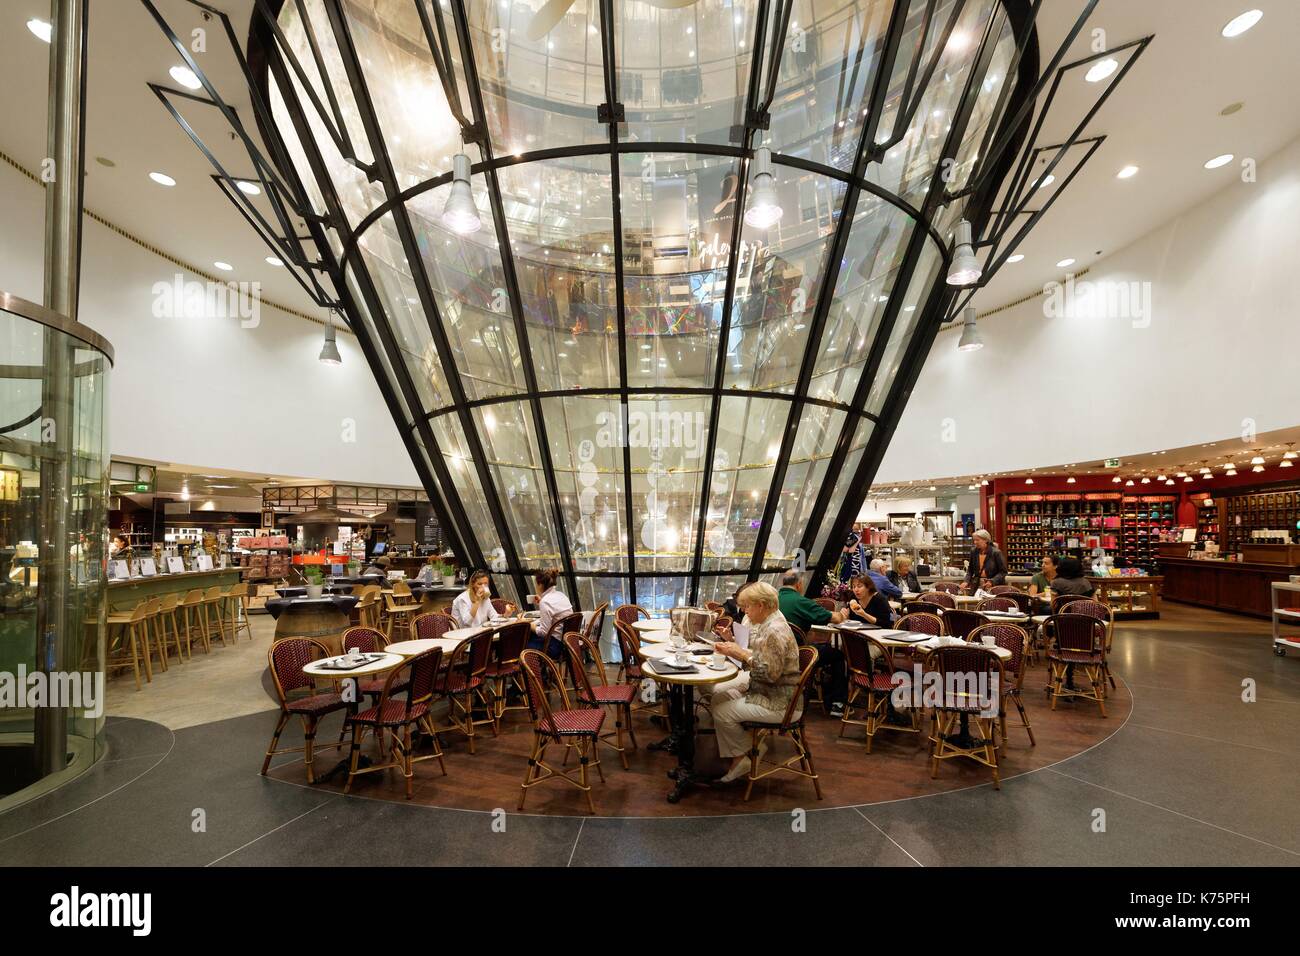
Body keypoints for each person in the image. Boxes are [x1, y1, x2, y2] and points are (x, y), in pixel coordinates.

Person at [709, 582, 804, 783]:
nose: (745, 612)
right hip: (774, 692)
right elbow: (767, 660)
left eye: (747, 607)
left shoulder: (773, 631)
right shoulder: (771, 623)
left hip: (780, 702)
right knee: (718, 697)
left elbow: (769, 674)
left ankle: (748, 755)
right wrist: (736, 650)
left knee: (720, 712)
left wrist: (741, 654)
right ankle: (745, 751)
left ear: (761, 605)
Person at [777, 570, 848, 716]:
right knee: (838, 655)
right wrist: (843, 614)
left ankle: (812, 688)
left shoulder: (773, 599)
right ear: (799, 584)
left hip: (775, 654)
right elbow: (835, 618)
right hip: (797, 655)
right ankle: (837, 703)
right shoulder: (801, 602)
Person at [528, 567, 573, 655]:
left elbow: (544, 632)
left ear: (540, 584)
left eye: (536, 584)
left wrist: (530, 625)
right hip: (567, 642)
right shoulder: (561, 595)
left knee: (522, 644)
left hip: (555, 647)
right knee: (530, 637)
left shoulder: (545, 602)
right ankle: (543, 668)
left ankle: (536, 667)